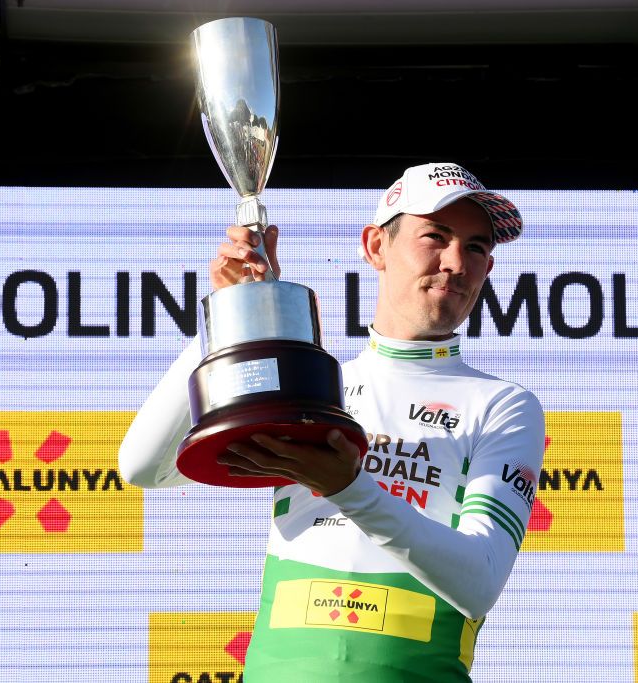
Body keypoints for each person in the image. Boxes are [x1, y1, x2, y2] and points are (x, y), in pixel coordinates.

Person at [120, 162, 545, 682]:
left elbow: (480, 582)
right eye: (435, 236)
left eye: (477, 247)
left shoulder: (502, 405)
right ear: (375, 247)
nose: (456, 262)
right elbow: (142, 465)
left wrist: (348, 487)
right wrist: (235, 318)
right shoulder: (314, 386)